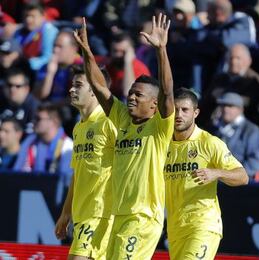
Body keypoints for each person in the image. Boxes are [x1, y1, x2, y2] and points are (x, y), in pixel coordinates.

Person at [73, 14, 175, 260]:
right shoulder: (122, 119)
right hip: (119, 214)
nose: (131, 97)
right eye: (130, 93)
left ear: (153, 104)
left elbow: (168, 91)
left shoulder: (160, 127)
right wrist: (87, 51)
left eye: (138, 95)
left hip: (142, 217)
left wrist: (161, 51)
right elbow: (98, 86)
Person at [165, 88, 248, 260]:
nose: (179, 114)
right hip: (175, 228)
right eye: (175, 110)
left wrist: (216, 173)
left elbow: (243, 176)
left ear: (196, 113)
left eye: (185, 110)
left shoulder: (209, 143)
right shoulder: (163, 144)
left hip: (202, 225)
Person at [54, 65, 117, 259]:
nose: (71, 90)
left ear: (95, 89)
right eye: (72, 85)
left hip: (101, 213)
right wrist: (66, 213)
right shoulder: (78, 128)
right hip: (82, 214)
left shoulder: (109, 122)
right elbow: (77, 173)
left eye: (78, 85)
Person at [209, 92, 259, 180]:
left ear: (240, 109)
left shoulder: (251, 130)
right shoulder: (214, 129)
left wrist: (232, 174)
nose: (226, 109)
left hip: (240, 182)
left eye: (230, 106)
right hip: (215, 179)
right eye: (223, 105)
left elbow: (255, 162)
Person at [13, 103, 73, 180]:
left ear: (54, 121)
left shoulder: (68, 146)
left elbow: (66, 181)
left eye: (38, 119)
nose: (33, 122)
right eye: (34, 118)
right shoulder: (29, 142)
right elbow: (17, 174)